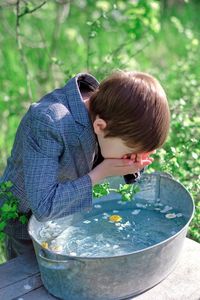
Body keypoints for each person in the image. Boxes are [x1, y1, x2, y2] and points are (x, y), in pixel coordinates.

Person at [0, 70, 170, 259]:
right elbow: (44, 207)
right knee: (30, 280)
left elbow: (112, 147)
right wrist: (101, 173)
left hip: (68, 211)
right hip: (26, 221)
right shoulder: (48, 122)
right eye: (130, 152)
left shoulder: (108, 110)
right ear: (100, 127)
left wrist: (133, 163)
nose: (132, 157)